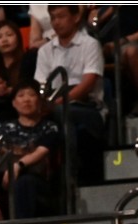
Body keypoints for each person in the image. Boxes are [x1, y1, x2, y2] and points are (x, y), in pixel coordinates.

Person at [0, 80, 61, 224]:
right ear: (13, 103)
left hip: (36, 178)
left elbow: (42, 152)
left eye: (32, 95)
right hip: (5, 176)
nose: (26, 99)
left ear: (39, 101)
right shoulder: (5, 129)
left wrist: (18, 166)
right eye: (21, 95)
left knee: (24, 183)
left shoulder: (49, 127)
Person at [34, 6, 105, 183]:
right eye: (53, 18)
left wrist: (59, 102)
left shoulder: (90, 44)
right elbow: (40, 84)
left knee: (62, 112)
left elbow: (88, 83)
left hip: (87, 107)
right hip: (54, 102)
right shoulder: (45, 50)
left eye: (61, 16)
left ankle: (71, 175)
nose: (56, 22)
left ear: (75, 17)